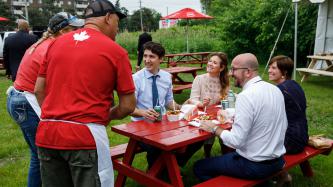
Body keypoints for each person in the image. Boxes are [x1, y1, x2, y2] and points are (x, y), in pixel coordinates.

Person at [34, 0, 136, 186]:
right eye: (117, 23)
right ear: (107, 18)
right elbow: (128, 105)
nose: (117, 29)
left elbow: (38, 90)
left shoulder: (54, 44)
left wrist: (57, 115)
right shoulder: (116, 51)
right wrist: (106, 115)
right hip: (85, 136)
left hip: (47, 132)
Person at [6, 12, 84, 187]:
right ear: (63, 31)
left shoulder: (43, 43)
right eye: (74, 29)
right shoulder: (52, 48)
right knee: (44, 157)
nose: (78, 33)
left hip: (17, 100)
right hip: (27, 103)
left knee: (38, 154)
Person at [194, 53, 287, 181]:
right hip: (278, 161)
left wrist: (214, 128)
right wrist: (231, 114)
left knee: (199, 166)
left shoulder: (246, 96)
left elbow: (236, 141)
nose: (231, 73)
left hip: (254, 165)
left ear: (247, 72)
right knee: (225, 159)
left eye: (234, 69)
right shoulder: (274, 89)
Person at [131, 41, 185, 168]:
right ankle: (159, 173)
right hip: (140, 126)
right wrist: (143, 112)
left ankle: (171, 167)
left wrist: (182, 107)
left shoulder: (167, 77)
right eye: (145, 56)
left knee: (189, 140)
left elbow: (169, 102)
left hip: (163, 123)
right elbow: (129, 108)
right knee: (158, 146)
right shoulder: (136, 78)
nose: (147, 60)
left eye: (152, 57)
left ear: (161, 59)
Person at [268, 55, 309, 184]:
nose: (269, 70)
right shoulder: (294, 84)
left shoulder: (279, 90)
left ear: (284, 72)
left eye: (274, 68)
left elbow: (268, 116)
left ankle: (282, 175)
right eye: (270, 67)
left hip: (291, 140)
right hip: (302, 135)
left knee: (255, 141)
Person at [187, 52, 230, 158]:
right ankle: (207, 155)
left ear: (221, 67)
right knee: (209, 128)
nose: (210, 64)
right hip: (202, 114)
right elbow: (192, 99)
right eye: (210, 61)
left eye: (215, 63)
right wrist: (200, 103)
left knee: (225, 127)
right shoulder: (199, 79)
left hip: (217, 114)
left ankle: (226, 153)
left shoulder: (224, 81)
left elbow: (227, 98)